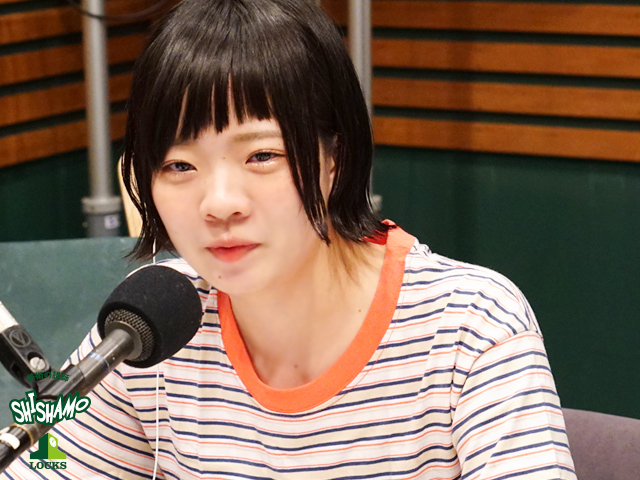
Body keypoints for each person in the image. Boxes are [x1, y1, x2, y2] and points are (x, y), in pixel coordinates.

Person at [2, 0, 577, 478]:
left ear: (334, 160)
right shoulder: (148, 324)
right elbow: (43, 466)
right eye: (179, 166)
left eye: (261, 156)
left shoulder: (471, 326)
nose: (219, 203)